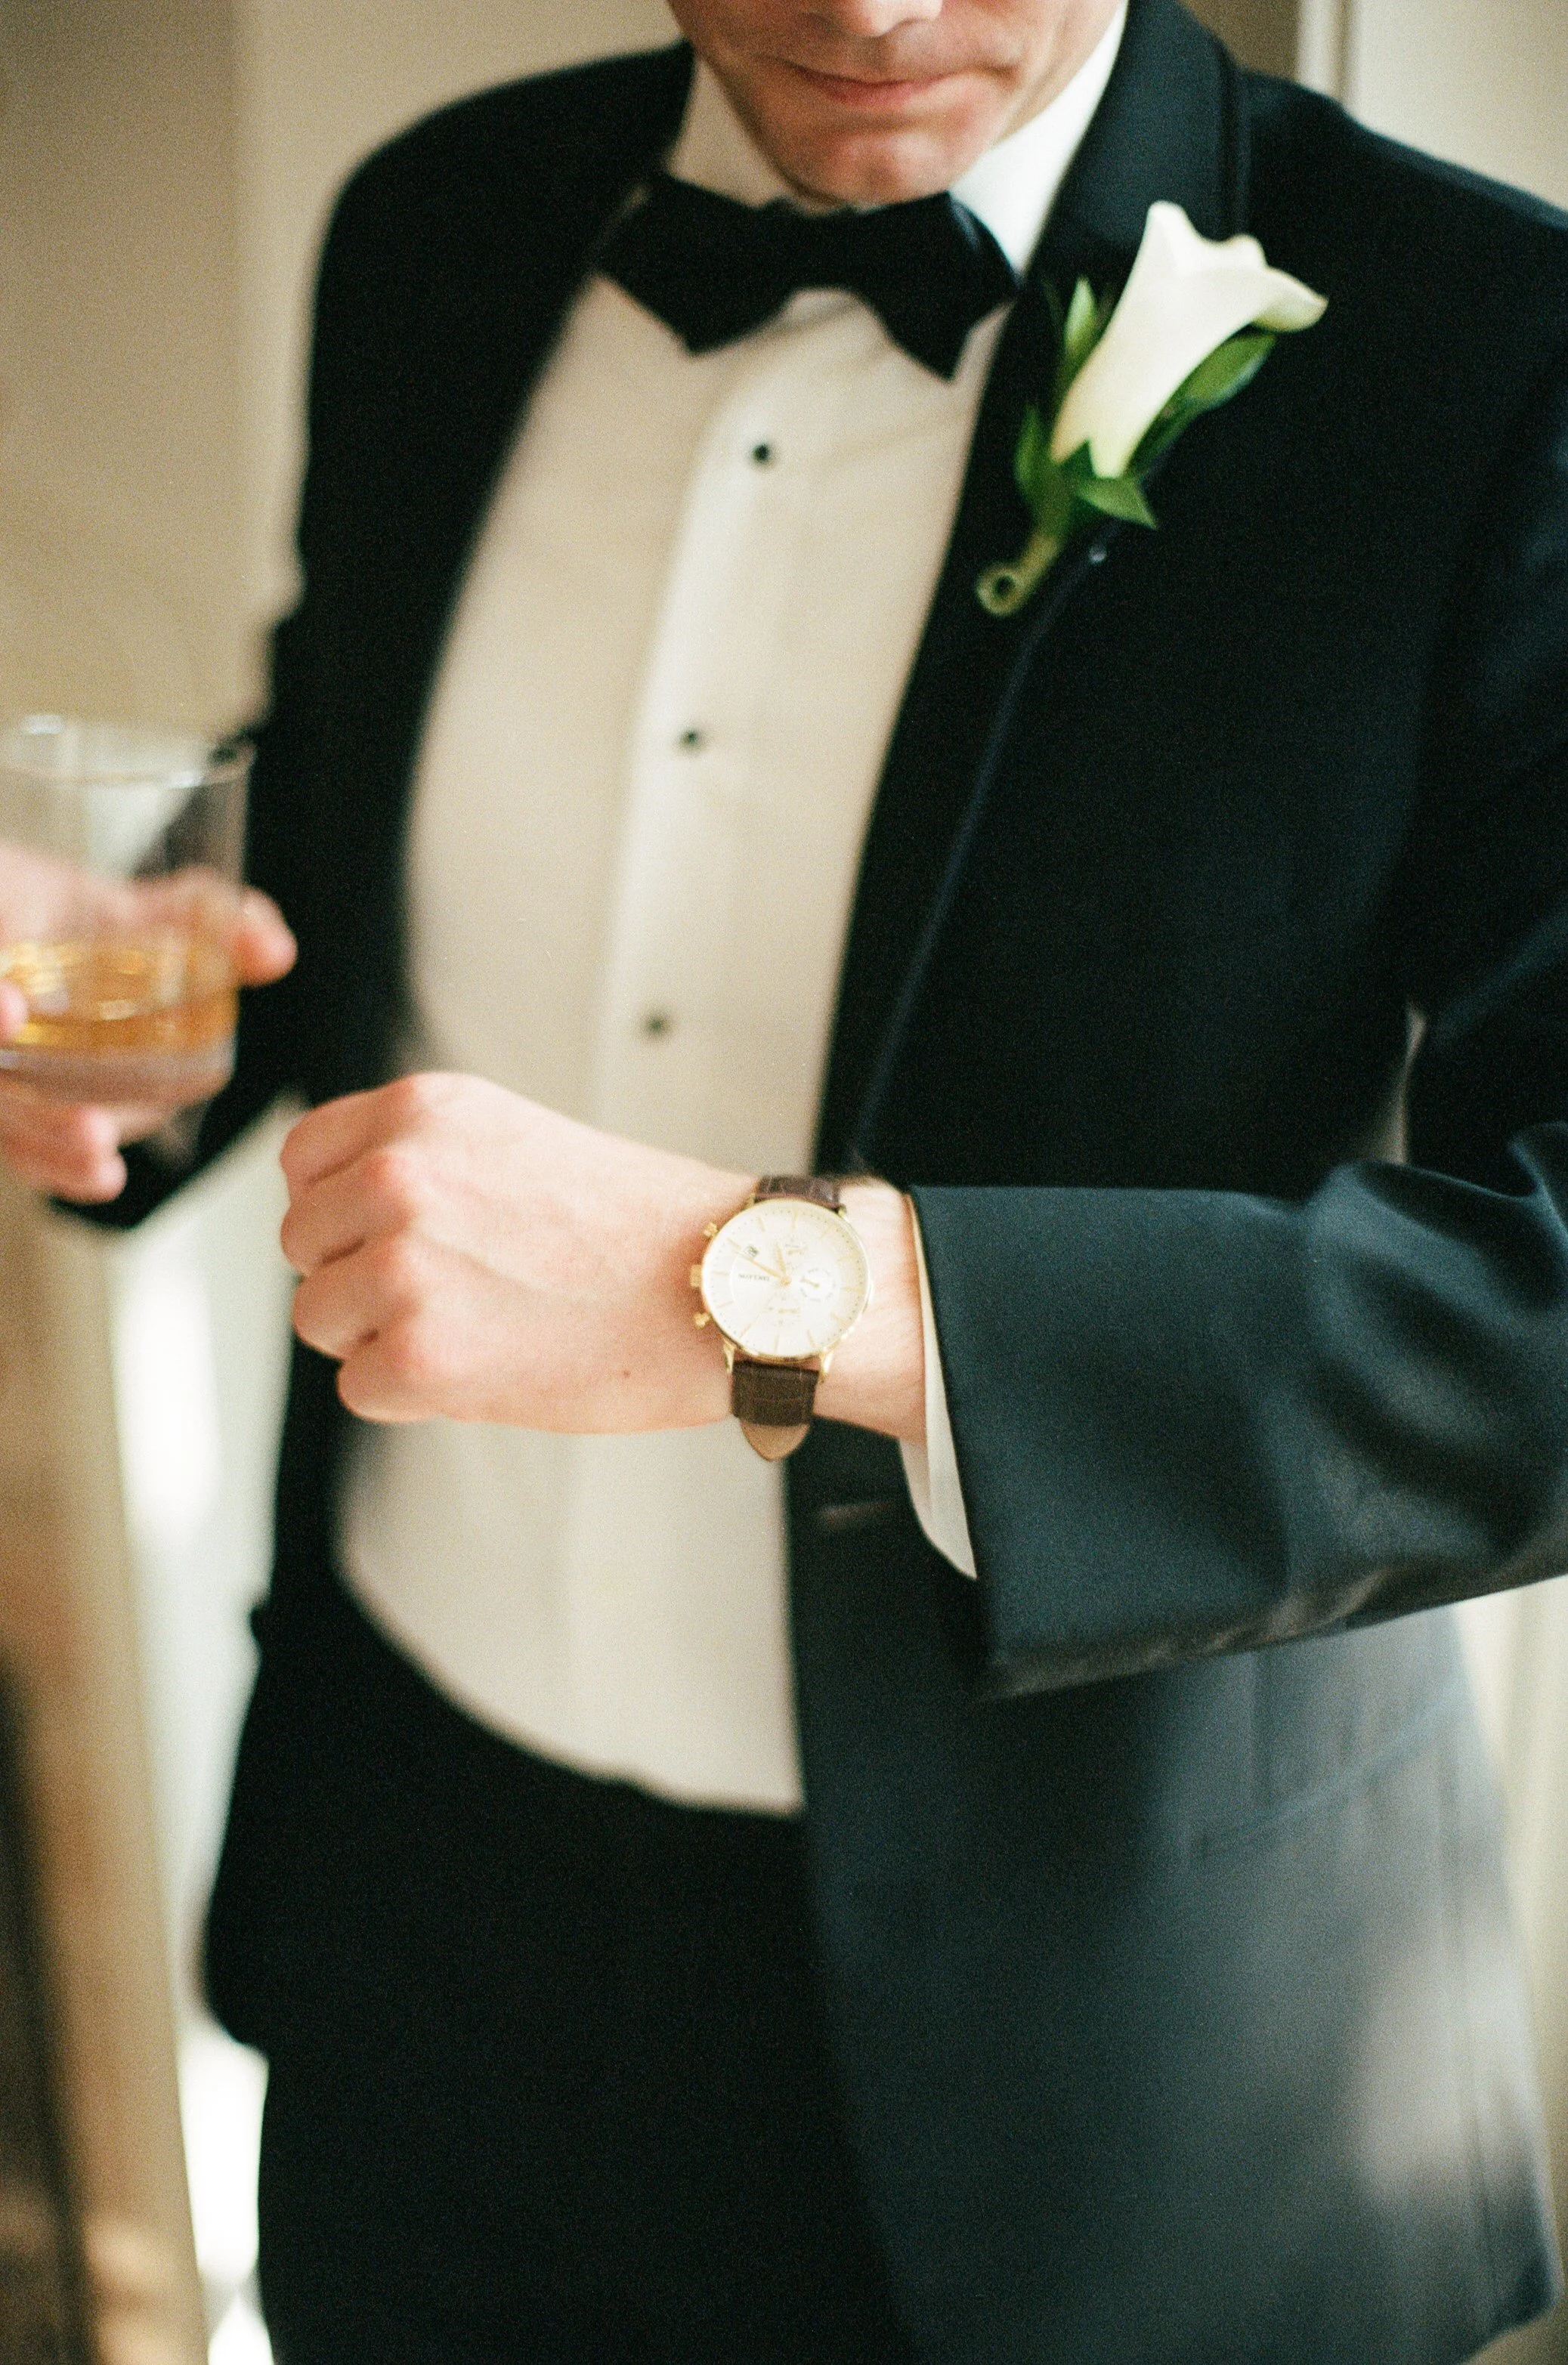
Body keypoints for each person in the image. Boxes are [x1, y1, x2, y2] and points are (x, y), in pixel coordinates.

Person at [5, 0, 1568, 2355]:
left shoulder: (1497, 353)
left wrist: (760, 1289)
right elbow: (362, 793)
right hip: (421, 1922)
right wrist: (155, 1002)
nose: (869, 4)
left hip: (1094, 2052)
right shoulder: (437, 221)